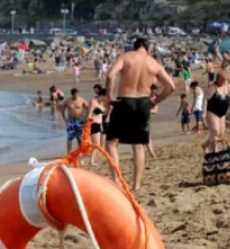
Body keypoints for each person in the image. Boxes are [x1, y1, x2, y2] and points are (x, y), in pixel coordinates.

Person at [104, 38, 176, 191]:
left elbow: (110, 75)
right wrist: (155, 101)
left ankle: (116, 180)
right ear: (147, 48)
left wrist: (109, 96)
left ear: (134, 47)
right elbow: (171, 86)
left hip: (125, 100)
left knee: (111, 142)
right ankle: (136, 185)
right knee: (138, 146)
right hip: (143, 102)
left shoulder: (125, 57)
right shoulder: (153, 63)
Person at [202, 71, 230, 152]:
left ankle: (205, 144)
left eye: (225, 79)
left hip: (222, 112)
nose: (224, 81)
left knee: (221, 133)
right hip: (212, 111)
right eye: (223, 79)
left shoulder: (228, 86)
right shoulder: (213, 87)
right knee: (215, 131)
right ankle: (215, 150)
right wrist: (204, 113)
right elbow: (205, 100)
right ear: (218, 79)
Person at [61, 87, 89, 153]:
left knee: (79, 137)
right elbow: (62, 110)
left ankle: (81, 150)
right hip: (70, 121)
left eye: (77, 94)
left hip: (80, 120)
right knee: (70, 136)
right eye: (75, 94)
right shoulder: (68, 101)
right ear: (72, 94)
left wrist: (86, 117)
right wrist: (65, 119)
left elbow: (89, 108)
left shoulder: (81, 100)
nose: (76, 96)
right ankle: (69, 152)